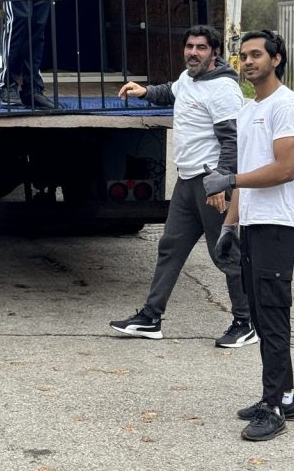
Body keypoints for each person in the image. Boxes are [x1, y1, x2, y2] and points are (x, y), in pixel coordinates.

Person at [110, 25, 257, 348]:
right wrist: (144, 91)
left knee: (226, 254)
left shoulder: (222, 89)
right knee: (170, 248)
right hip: (187, 182)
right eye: (189, 46)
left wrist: (221, 182)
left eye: (201, 48)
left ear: (214, 53)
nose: (193, 52)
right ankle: (150, 318)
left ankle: (245, 322)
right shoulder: (189, 78)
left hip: (212, 185)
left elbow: (232, 141)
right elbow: (171, 91)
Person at [203, 30, 294, 442]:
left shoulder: (287, 106)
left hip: (279, 227)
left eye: (256, 55)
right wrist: (230, 224)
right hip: (252, 226)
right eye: (243, 56)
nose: (247, 61)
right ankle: (287, 397)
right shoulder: (249, 110)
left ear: (276, 59)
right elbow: (246, 181)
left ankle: (274, 407)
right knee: (264, 315)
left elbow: (285, 169)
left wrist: (230, 177)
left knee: (272, 314)